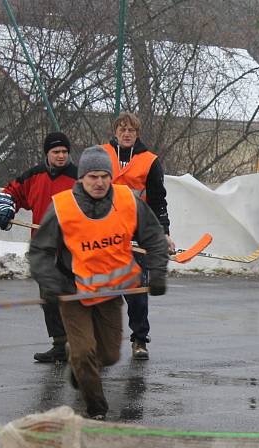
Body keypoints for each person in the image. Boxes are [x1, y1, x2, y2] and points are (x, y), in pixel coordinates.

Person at [29, 146, 169, 420]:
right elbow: (40, 252)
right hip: (74, 293)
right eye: (93, 176)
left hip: (109, 292)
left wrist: (158, 273)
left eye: (104, 176)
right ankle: (96, 411)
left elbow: (153, 238)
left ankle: (79, 368)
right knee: (84, 355)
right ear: (81, 177)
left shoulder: (127, 201)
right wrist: (53, 285)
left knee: (108, 356)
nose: (99, 182)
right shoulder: (63, 206)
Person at [0, 132, 78, 363]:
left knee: (74, 297)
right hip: (44, 247)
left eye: (64, 152)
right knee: (49, 296)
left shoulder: (81, 177)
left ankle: (86, 345)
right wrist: (6, 206)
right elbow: (11, 192)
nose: (61, 156)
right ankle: (60, 344)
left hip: (75, 247)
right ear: (47, 153)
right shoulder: (35, 176)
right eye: (56, 152)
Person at [101, 112, 175, 360]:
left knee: (136, 291)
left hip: (136, 235)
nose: (126, 133)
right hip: (104, 234)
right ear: (115, 131)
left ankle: (140, 339)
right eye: (122, 129)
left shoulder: (149, 161)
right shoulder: (101, 155)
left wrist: (163, 234)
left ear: (137, 133)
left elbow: (158, 201)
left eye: (131, 130)